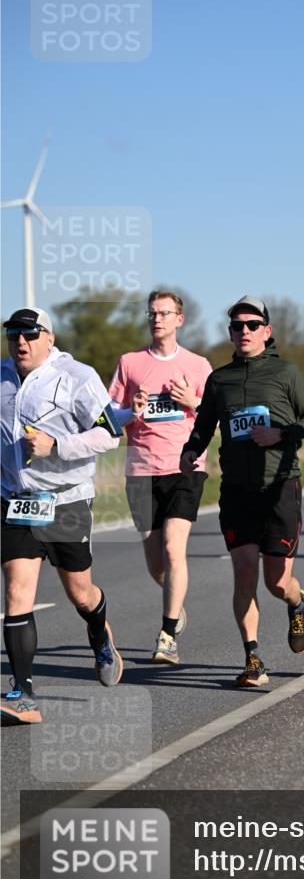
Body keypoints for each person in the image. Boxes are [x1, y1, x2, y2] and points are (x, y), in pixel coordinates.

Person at [180, 295, 304, 687]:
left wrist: (282, 433)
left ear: (266, 331)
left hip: (280, 487)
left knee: (276, 581)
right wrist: (191, 449)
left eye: (252, 325)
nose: (244, 331)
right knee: (244, 573)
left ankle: (296, 601)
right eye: (237, 326)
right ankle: (253, 658)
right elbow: (204, 425)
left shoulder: (285, 374)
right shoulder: (219, 380)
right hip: (237, 490)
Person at [1, 308, 123, 726]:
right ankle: (23, 694)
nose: (21, 341)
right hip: (15, 500)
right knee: (18, 591)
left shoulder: (77, 376)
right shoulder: (1, 378)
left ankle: (99, 629)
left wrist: (56, 445)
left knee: (80, 593)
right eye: (14, 334)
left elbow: (110, 434)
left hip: (66, 500)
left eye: (30, 334)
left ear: (49, 338)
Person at [108, 290, 213, 664]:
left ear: (179, 320)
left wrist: (193, 403)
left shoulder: (198, 365)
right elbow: (109, 416)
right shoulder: (130, 363)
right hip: (140, 470)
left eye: (164, 313)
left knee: (173, 548)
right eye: (152, 313)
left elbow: (216, 415)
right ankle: (176, 604)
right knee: (156, 564)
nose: (157, 319)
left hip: (185, 467)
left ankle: (167, 635)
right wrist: (130, 412)